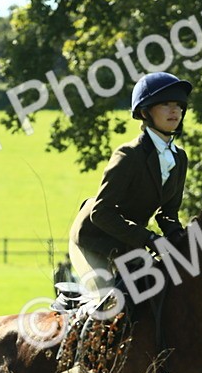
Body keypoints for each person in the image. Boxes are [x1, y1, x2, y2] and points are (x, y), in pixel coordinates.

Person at [68, 71, 192, 299]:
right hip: (93, 239)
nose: (175, 111)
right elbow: (101, 213)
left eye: (178, 105)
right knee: (109, 302)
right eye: (165, 104)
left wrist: (181, 240)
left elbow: (168, 214)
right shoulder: (128, 155)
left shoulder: (180, 158)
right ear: (145, 112)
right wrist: (149, 239)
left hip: (128, 242)